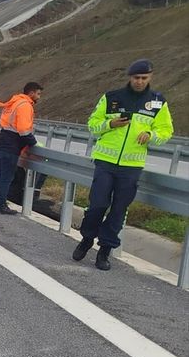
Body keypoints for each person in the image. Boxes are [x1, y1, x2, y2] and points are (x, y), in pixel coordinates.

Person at [72, 59, 173, 271]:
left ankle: (105, 251)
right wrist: (110, 124)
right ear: (130, 77)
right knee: (98, 204)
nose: (139, 81)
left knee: (119, 209)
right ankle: (87, 239)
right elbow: (92, 125)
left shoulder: (157, 102)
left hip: (131, 165)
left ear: (150, 77)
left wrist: (151, 135)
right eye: (136, 77)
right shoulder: (112, 97)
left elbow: (166, 131)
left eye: (144, 78)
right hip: (105, 161)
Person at [0, 82, 43, 215]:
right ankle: (1, 204)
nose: (39, 97)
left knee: (0, 175)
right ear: (31, 93)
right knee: (7, 176)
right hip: (11, 144)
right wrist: (33, 143)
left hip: (2, 140)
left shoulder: (15, 102)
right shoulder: (25, 105)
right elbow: (23, 130)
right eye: (38, 94)